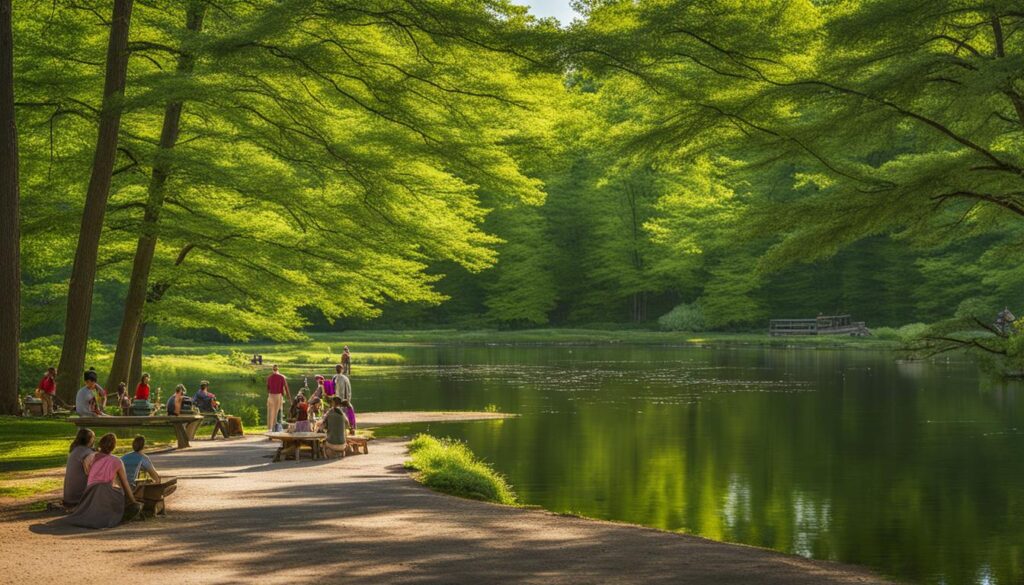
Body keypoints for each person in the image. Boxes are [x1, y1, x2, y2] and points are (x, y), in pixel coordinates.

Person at [56, 433, 141, 529]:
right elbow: (125, 485)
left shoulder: (92, 458)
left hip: (90, 492)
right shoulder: (117, 461)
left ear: (100, 445)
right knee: (120, 493)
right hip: (104, 491)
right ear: (114, 447)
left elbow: (89, 473)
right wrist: (133, 502)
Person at [63, 428, 95, 509]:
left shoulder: (74, 450)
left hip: (68, 498)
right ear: (90, 439)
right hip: (79, 498)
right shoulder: (88, 452)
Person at [266, 364, 290, 432]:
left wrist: (269, 394)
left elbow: (267, 388)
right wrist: (288, 397)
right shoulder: (282, 377)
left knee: (271, 412)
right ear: (278, 369)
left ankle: (270, 429)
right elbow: (286, 387)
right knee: (278, 412)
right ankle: (277, 428)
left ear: (272, 370)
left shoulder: (269, 377)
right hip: (278, 395)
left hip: (271, 395)